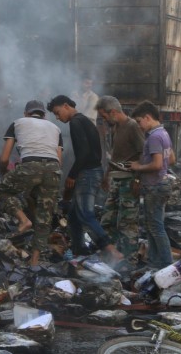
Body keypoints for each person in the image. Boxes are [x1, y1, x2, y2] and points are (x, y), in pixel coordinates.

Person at [47, 95, 123, 262]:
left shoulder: (76, 122)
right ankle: (79, 250)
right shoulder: (86, 121)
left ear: (66, 106)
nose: (58, 118)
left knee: (86, 215)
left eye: (58, 113)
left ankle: (110, 250)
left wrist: (72, 174)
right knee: (74, 216)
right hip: (94, 171)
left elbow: (83, 153)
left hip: (87, 173)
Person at [0, 100, 63, 265]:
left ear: (26, 113)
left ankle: (24, 220)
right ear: (44, 115)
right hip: (53, 169)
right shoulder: (56, 128)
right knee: (44, 215)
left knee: (1, 191)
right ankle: (34, 261)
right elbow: (59, 161)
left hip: (30, 166)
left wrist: (5, 173)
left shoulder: (17, 123)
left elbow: (4, 159)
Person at [96, 95, 145, 261]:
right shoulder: (116, 127)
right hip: (116, 179)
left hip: (129, 180)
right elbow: (116, 156)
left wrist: (138, 179)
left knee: (127, 223)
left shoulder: (132, 126)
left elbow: (142, 154)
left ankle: (129, 260)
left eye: (104, 116)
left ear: (114, 112)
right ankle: (111, 257)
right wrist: (106, 176)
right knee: (108, 219)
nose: (104, 120)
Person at [129, 101, 176, 270]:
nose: (139, 126)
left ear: (148, 118)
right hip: (161, 184)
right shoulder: (164, 133)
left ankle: (166, 265)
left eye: (140, 121)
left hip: (155, 186)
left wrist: (138, 167)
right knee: (153, 226)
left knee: (156, 227)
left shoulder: (154, 137)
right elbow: (171, 159)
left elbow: (157, 164)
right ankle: (155, 263)